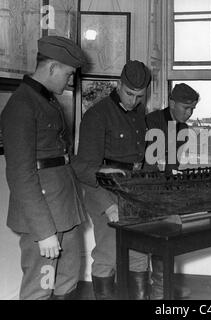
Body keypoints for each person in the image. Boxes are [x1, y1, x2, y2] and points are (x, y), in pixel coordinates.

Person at [0, 36, 87, 300]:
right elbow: (20, 175)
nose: (69, 81)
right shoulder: (22, 105)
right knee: (41, 287)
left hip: (64, 209)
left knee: (67, 280)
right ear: (52, 68)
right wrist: (44, 231)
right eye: (68, 74)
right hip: (45, 215)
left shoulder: (46, 101)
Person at [73, 60, 152, 300]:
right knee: (108, 254)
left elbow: (141, 158)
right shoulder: (97, 115)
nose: (133, 100)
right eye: (129, 93)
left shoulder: (139, 113)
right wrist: (108, 206)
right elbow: (86, 170)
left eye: (139, 96)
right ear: (119, 84)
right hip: (105, 192)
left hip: (133, 191)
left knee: (140, 253)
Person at [145, 83, 199, 300]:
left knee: (169, 239)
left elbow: (177, 163)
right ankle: (153, 291)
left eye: (192, 108)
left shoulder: (184, 129)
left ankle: (162, 290)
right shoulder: (151, 121)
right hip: (148, 190)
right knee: (147, 244)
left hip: (169, 191)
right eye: (186, 108)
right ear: (172, 103)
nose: (189, 113)